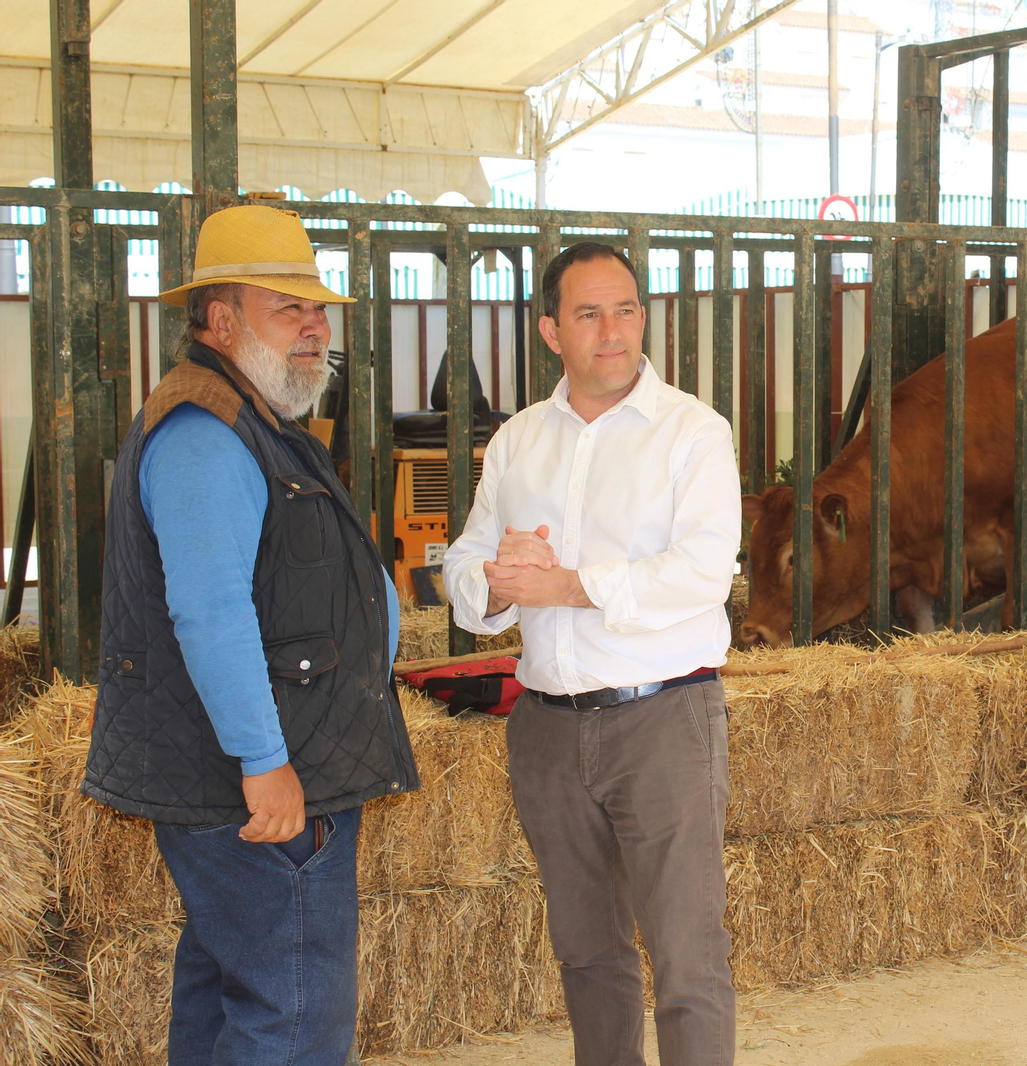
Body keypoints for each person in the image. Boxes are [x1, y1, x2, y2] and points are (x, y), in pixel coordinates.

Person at [83, 204, 419, 1066]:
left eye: (318, 309)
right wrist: (264, 763)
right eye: (286, 308)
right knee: (293, 1017)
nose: (313, 328)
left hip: (264, 767)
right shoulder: (204, 433)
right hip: (255, 781)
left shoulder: (259, 418)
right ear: (221, 318)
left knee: (230, 994)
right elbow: (212, 613)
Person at [442, 241, 742, 1065]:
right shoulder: (518, 440)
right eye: (589, 313)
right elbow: (463, 562)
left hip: (664, 720)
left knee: (688, 959)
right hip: (546, 728)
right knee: (588, 957)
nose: (613, 331)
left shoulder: (693, 434)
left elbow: (702, 573)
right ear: (550, 331)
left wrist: (569, 586)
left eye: (627, 309)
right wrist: (502, 581)